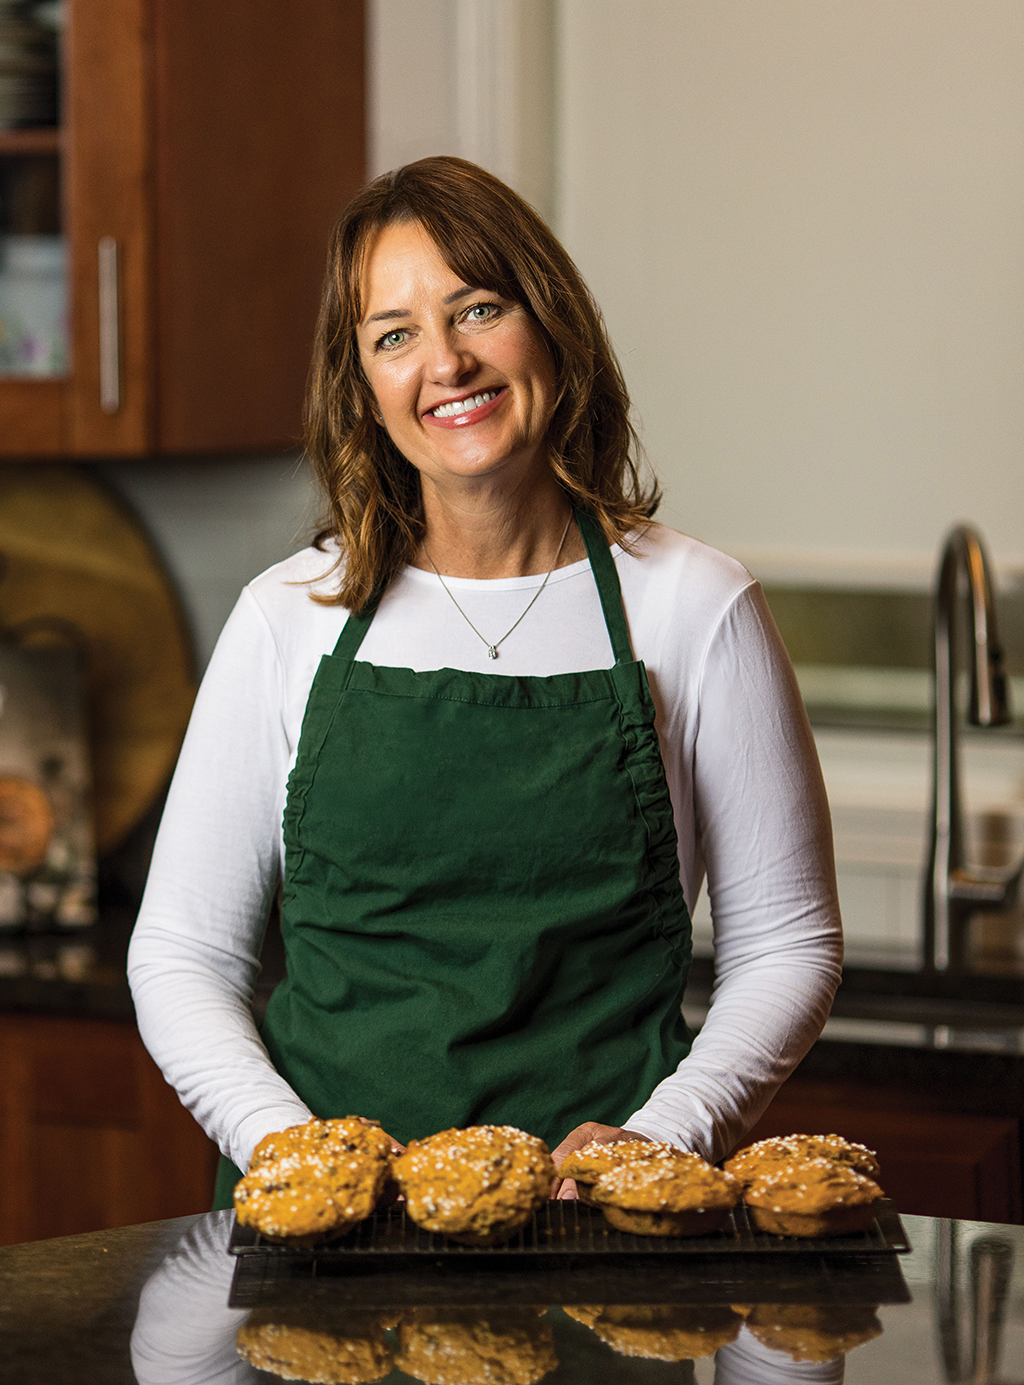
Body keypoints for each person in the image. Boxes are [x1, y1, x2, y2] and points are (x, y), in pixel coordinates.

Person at [127, 156, 842, 1207]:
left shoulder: (697, 604)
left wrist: (654, 1144)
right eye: (395, 335)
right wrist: (298, 1154)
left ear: (551, 324)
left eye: (478, 309)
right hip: (327, 1236)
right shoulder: (288, 616)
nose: (447, 362)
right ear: (363, 387)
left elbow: (787, 946)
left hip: (597, 1230)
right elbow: (182, 954)